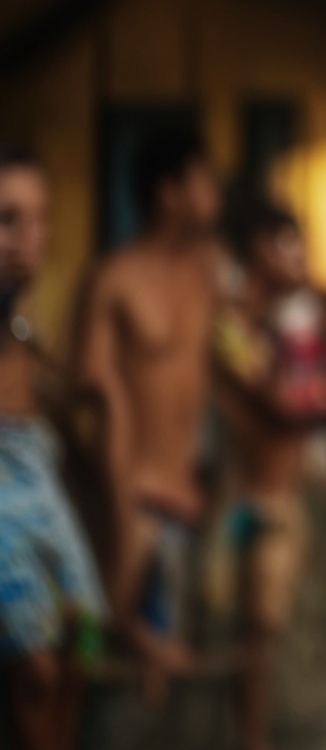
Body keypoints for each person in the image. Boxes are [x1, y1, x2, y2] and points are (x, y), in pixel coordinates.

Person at [0, 146, 138, 750]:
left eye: (40, 219)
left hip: (36, 471)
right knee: (35, 666)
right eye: (7, 220)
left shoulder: (19, 321)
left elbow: (38, 390)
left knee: (84, 635)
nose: (31, 240)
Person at [74, 127, 222, 702]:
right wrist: (113, 494)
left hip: (187, 495)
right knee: (90, 645)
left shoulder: (207, 270)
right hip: (131, 497)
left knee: (159, 687)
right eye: (204, 179)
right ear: (169, 191)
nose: (215, 193)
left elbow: (237, 356)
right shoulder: (114, 279)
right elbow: (89, 398)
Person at [213, 202, 326, 750]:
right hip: (250, 505)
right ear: (260, 248)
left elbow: (317, 394)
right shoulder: (233, 325)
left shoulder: (283, 324)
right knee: (255, 632)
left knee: (261, 633)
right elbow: (288, 403)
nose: (301, 262)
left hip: (279, 500)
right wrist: (318, 392)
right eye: (289, 246)